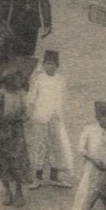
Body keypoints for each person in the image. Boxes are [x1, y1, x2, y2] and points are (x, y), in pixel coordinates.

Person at [0, 65, 32, 208]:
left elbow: (26, 115)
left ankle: (19, 191)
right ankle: (7, 191)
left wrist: (21, 116)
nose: (18, 83)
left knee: (18, 162)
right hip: (2, 132)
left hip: (16, 132)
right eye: (15, 80)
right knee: (4, 163)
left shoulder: (21, 96)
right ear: (8, 81)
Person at [25, 49, 74, 189]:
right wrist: (31, 114)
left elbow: (64, 98)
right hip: (40, 117)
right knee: (40, 146)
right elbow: (31, 99)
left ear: (57, 65)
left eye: (53, 64)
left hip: (55, 118)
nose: (50, 66)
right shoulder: (39, 80)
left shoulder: (61, 80)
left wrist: (60, 114)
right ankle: (38, 177)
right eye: (48, 63)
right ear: (44, 64)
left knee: (56, 146)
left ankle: (54, 176)